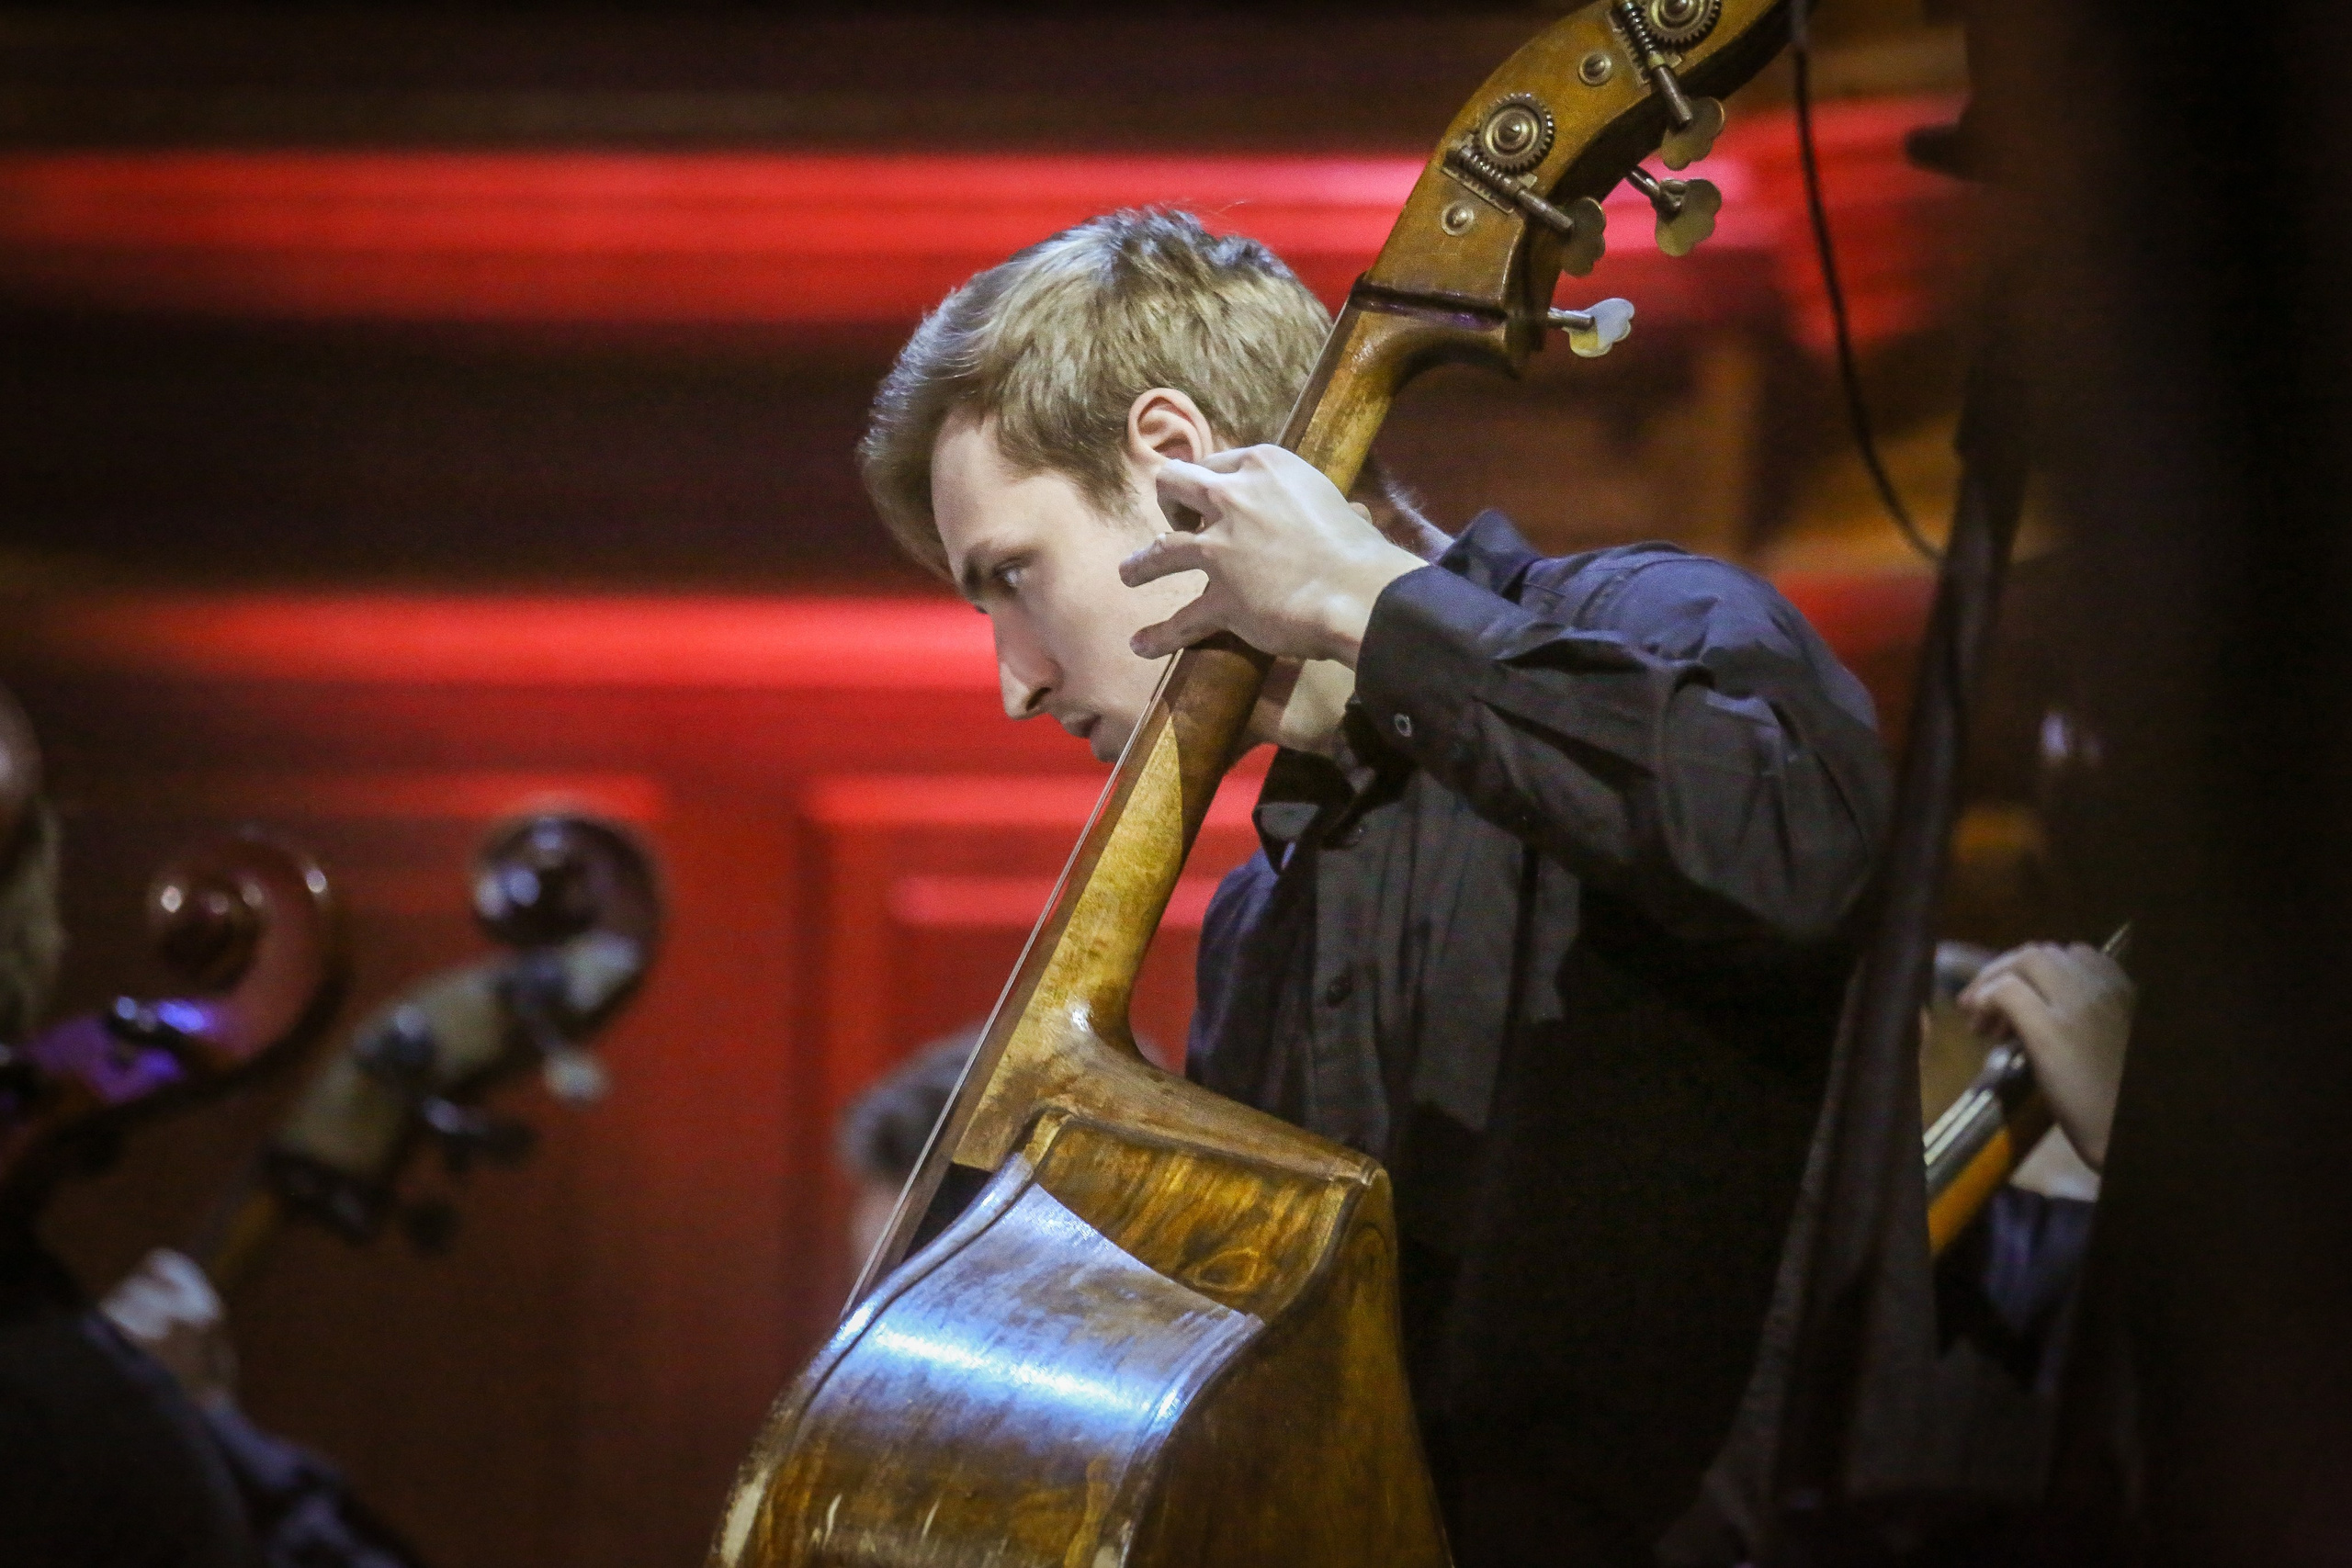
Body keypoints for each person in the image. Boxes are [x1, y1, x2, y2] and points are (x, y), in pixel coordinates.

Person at [857, 208, 1891, 1564]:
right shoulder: (1257, 926)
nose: (1014, 681)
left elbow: (1799, 850)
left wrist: (1368, 603)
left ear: (1178, 466)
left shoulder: (1652, 628)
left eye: (1012, 579)